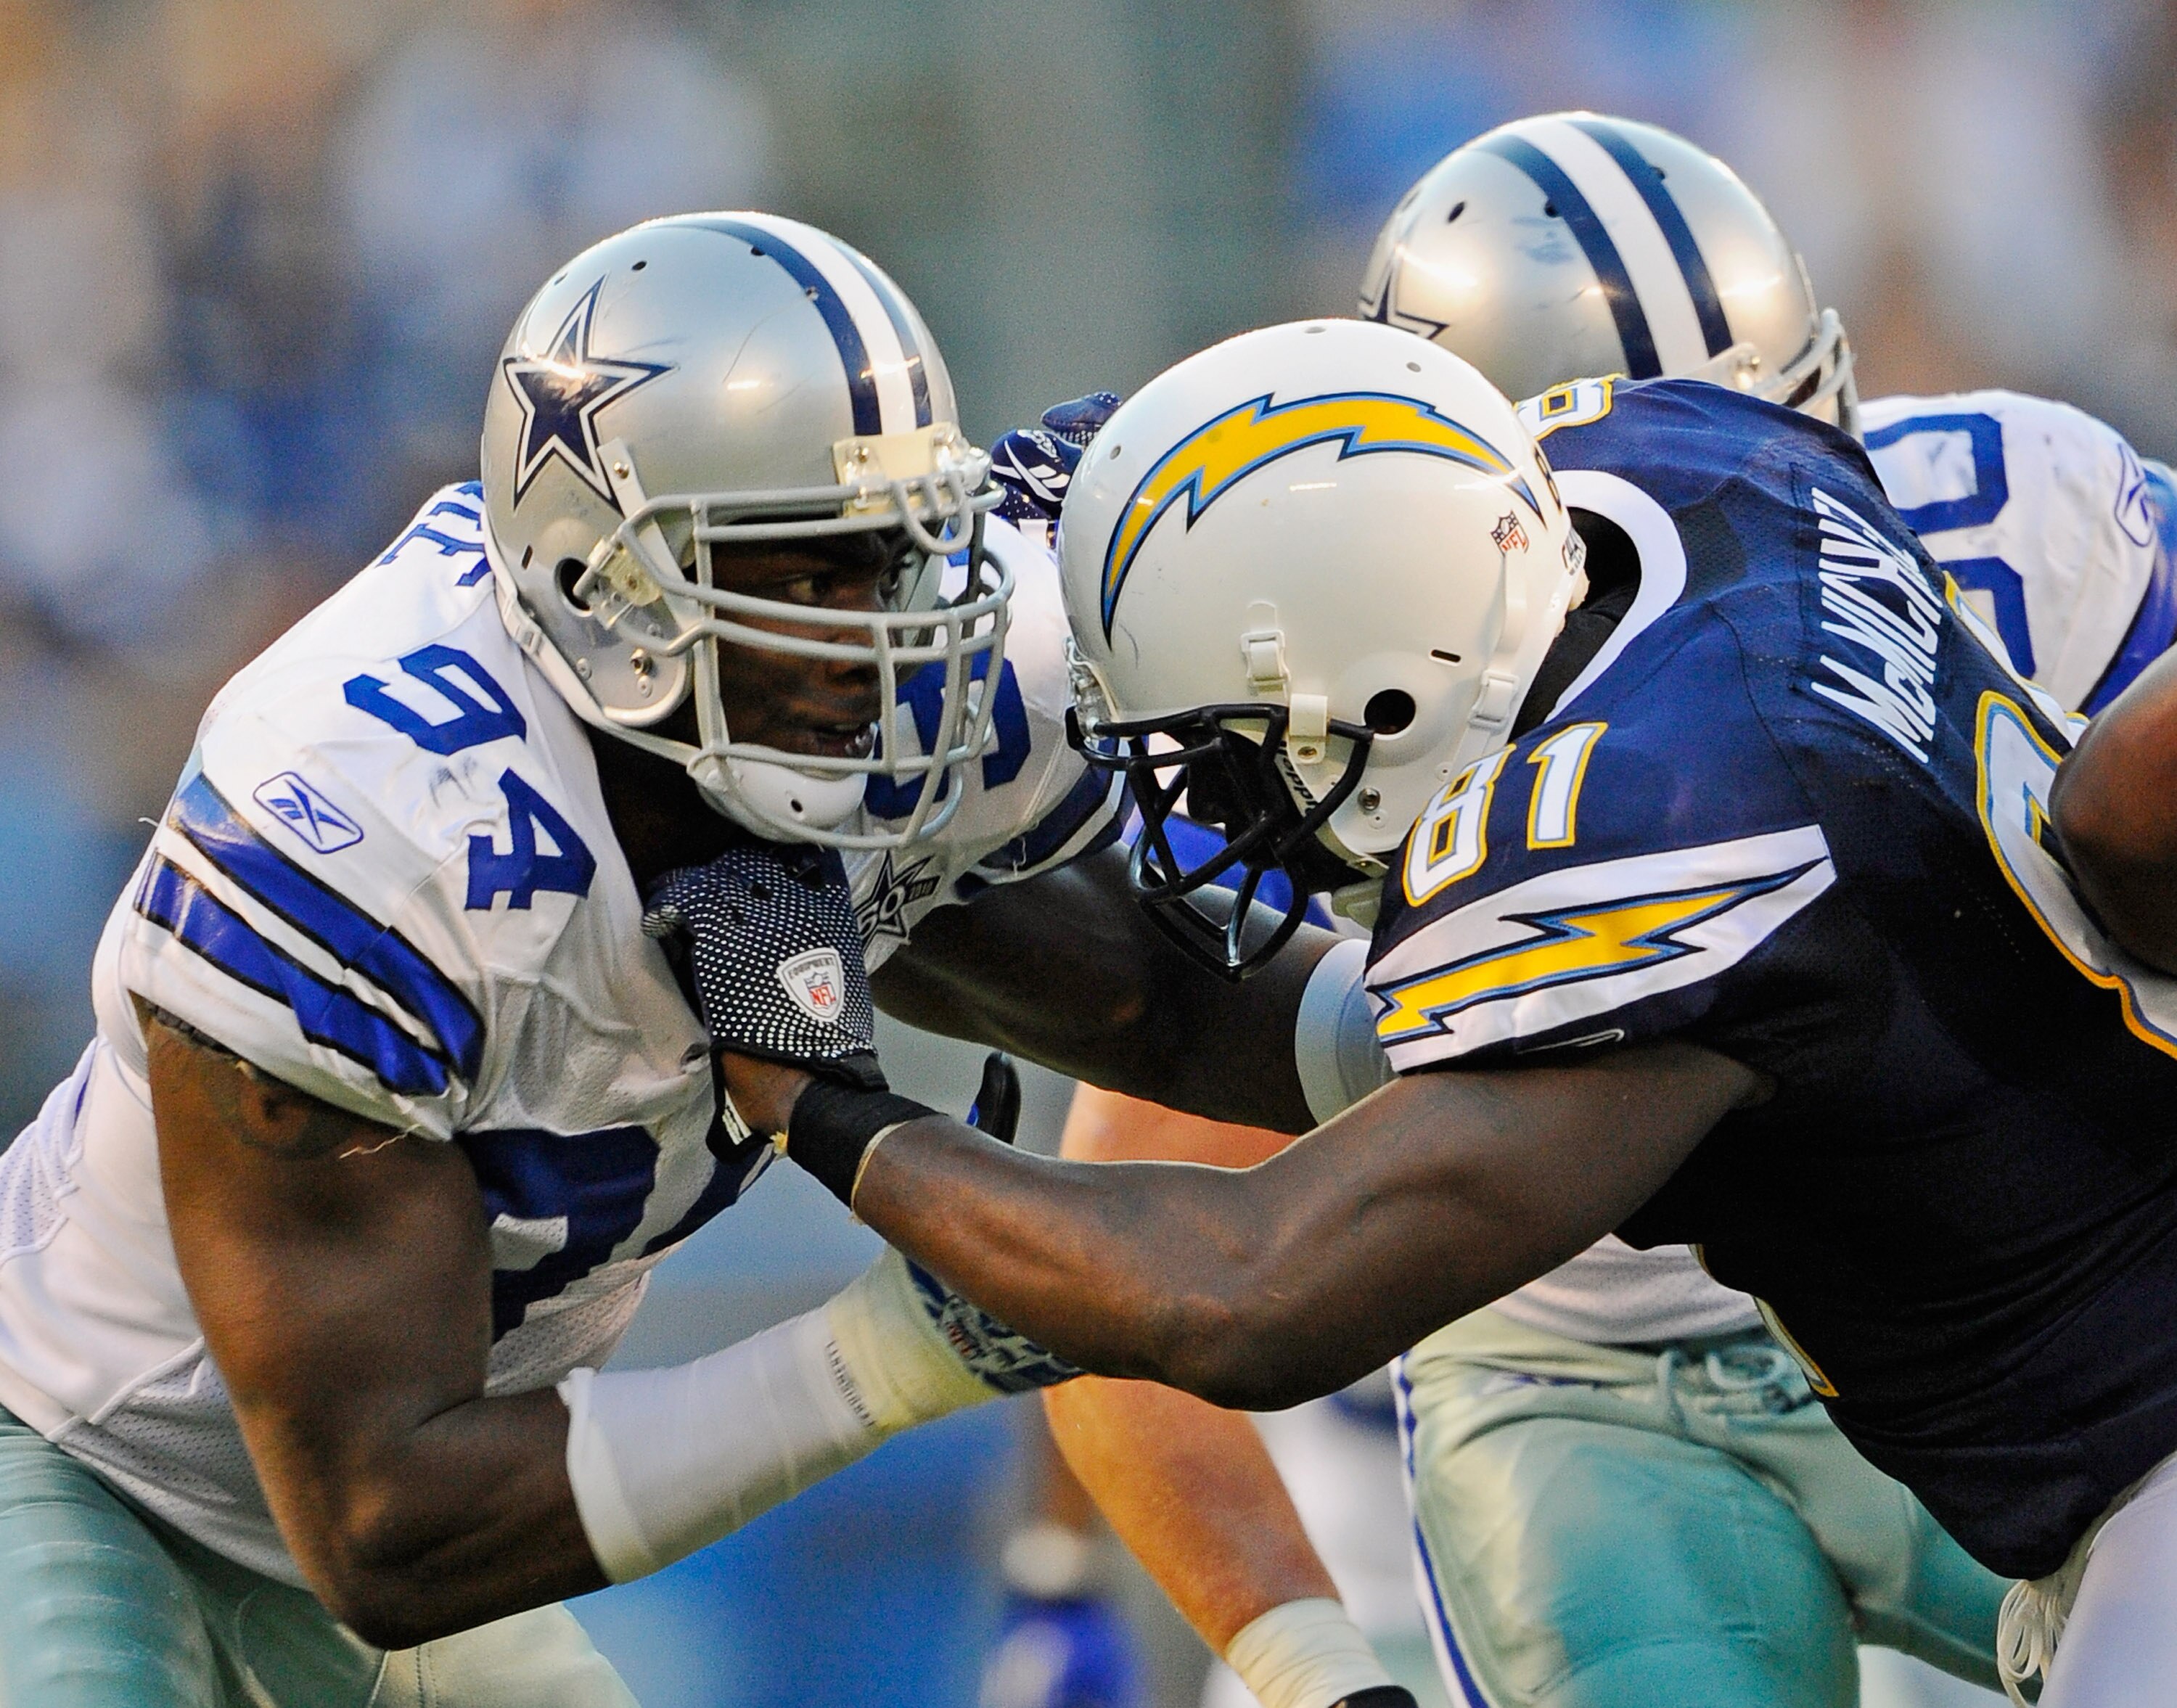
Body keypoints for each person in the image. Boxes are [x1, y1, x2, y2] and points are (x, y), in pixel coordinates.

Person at [694, 313, 2177, 1708]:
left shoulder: (1667, 834)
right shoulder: (1671, 477)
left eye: (1225, 744)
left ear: (1391, 700)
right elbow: (1227, 1015)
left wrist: (830, 1108)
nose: (1209, 797)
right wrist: (888, 904)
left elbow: (1250, 1294)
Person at [1025, 115, 2177, 1708]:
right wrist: (1295, 1662)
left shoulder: (2031, 514)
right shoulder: (1358, 690)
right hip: (1582, 1388)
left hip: (2002, 1338)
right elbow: (1159, 1263)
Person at [0, 208, 1153, 1707]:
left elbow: (1180, 1016)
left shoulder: (870, 726)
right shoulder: (374, 810)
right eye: (797, 570)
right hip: (90, 1456)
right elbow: (382, 1527)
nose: (868, 636)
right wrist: (889, 1352)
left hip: (396, 1537)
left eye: (886, 554)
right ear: (605, 583)